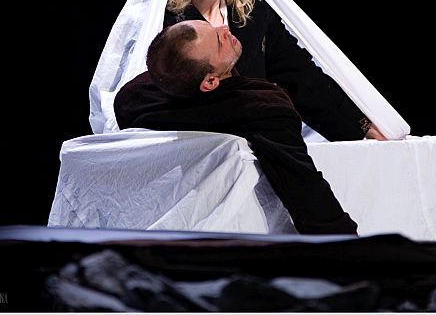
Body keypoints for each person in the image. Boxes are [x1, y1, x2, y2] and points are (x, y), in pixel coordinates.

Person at [114, 20, 359, 235]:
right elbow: (302, 185)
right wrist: (346, 244)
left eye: (214, 28)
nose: (224, 29)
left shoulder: (133, 100)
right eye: (218, 41)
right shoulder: (261, 108)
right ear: (210, 81)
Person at [164, 0, 388, 141]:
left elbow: (300, 76)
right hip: (199, 145)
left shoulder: (254, 12)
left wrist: (360, 128)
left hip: (259, 143)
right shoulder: (167, 24)